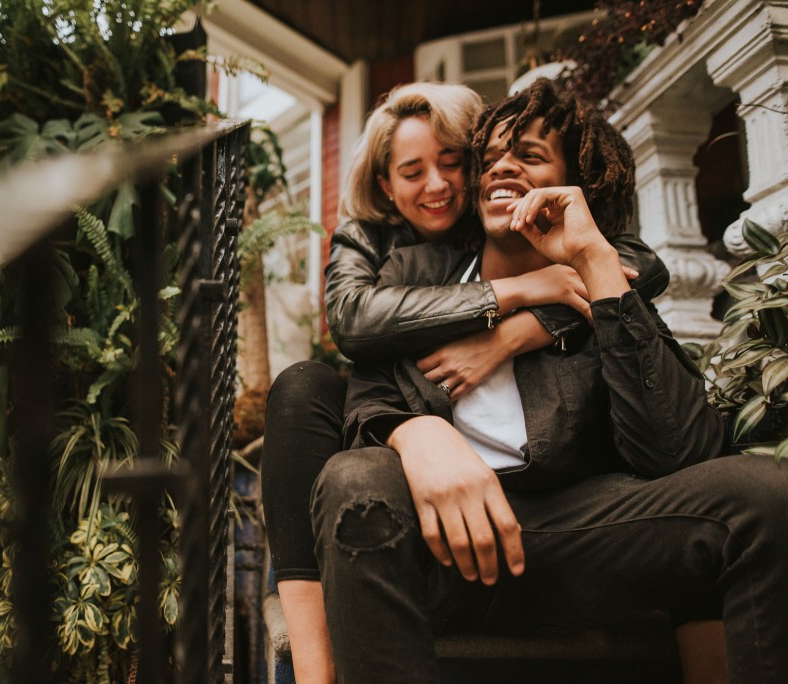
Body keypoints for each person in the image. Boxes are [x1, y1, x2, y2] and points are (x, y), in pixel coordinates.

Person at [311, 78, 785, 683]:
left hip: (576, 536)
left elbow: (679, 453)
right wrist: (415, 430)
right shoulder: (414, 271)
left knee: (766, 495)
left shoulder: (604, 281)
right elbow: (369, 393)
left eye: (530, 155)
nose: (503, 165)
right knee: (354, 477)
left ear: (575, 187)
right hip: (440, 546)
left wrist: (591, 261)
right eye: (492, 157)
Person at [261, 81, 669, 683]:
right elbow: (353, 319)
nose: (437, 185)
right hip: (392, 422)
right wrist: (520, 291)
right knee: (300, 389)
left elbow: (640, 263)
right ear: (385, 186)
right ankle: (313, 669)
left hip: (523, 464)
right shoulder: (369, 237)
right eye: (412, 170)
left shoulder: (504, 214)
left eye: (452, 162)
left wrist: (519, 332)